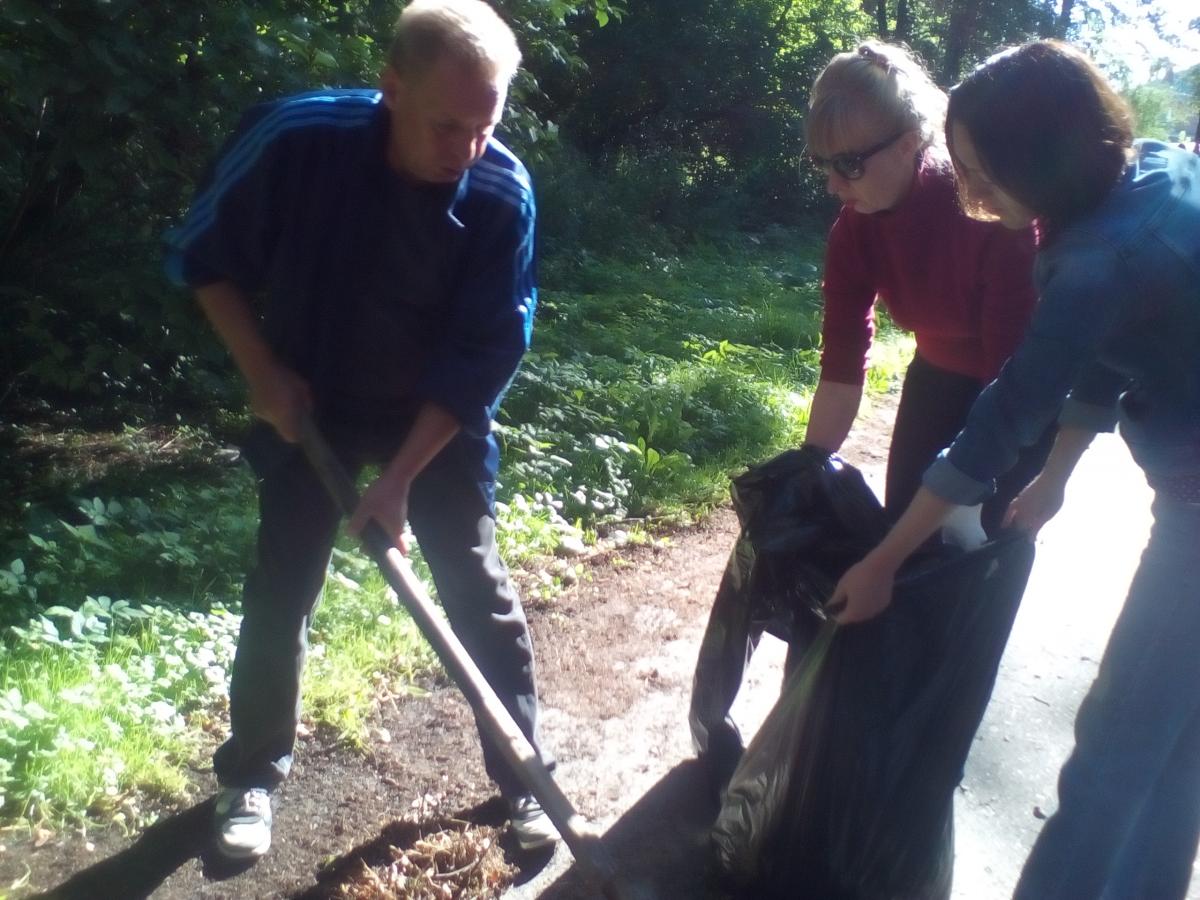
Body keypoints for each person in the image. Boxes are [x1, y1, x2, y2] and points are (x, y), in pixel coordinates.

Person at [166, 0, 558, 860]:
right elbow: (204, 256)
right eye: (446, 125)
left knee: (477, 588)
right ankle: (251, 776)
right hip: (313, 398)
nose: (466, 149)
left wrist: (401, 477)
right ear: (392, 87)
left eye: (485, 127)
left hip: (438, 414)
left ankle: (527, 778)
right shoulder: (297, 141)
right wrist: (262, 374)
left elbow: (487, 349)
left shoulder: (502, 191)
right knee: (282, 587)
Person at [830, 39, 1200, 899]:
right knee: (1176, 741)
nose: (968, 190)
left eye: (980, 170)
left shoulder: (1098, 261)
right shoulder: (1146, 175)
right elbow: (1115, 349)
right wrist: (1060, 474)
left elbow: (1005, 416)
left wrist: (884, 559)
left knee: (1115, 744)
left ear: (1040, 158)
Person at [803, 40, 1050, 539]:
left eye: (848, 164)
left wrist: (966, 497)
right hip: (936, 376)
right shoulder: (854, 229)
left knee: (980, 548)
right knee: (900, 530)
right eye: (823, 163)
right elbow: (841, 370)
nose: (833, 185)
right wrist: (804, 475)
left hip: (1023, 389)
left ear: (909, 142)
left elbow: (1009, 377)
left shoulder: (991, 215)